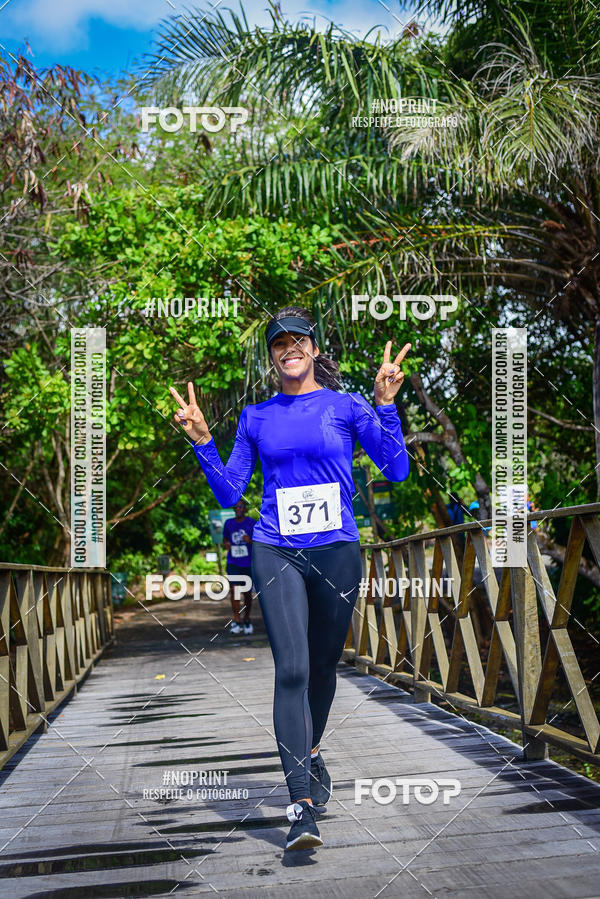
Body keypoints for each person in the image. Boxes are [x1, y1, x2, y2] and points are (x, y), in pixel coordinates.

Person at [170, 305, 411, 851]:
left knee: (324, 667)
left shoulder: (346, 406)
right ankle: (300, 804)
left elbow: (395, 468)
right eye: (279, 342)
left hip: (337, 552)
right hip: (275, 548)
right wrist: (203, 441)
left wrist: (386, 407)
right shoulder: (256, 417)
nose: (289, 348)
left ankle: (312, 749)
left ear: (314, 349)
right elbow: (232, 494)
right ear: (272, 356)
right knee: (293, 669)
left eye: (298, 339)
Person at [223, 499, 256, 635]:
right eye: (236, 507)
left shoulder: (251, 523)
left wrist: (251, 540)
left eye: (240, 506)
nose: (238, 509)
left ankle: (247, 618)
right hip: (233, 562)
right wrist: (227, 544)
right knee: (234, 590)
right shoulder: (229, 523)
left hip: (248, 563)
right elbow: (225, 538)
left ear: (245, 508)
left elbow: (260, 542)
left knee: (247, 593)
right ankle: (237, 620)